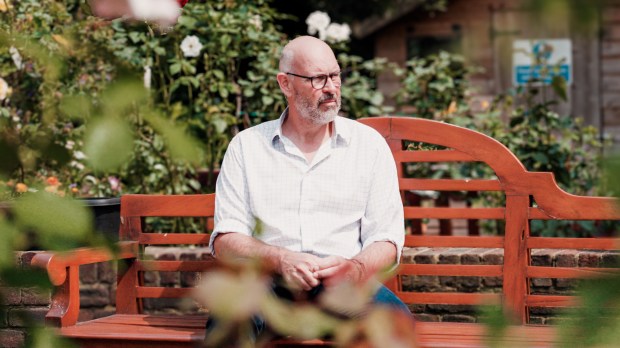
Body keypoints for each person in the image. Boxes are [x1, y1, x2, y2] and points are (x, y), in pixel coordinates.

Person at [209, 35, 409, 339]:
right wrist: (281, 260)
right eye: (317, 78)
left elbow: (387, 239)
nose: (331, 87)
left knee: (394, 328)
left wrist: (354, 269)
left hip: (342, 287)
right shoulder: (247, 147)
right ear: (285, 84)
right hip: (267, 284)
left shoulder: (368, 146)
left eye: (335, 75)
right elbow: (225, 240)